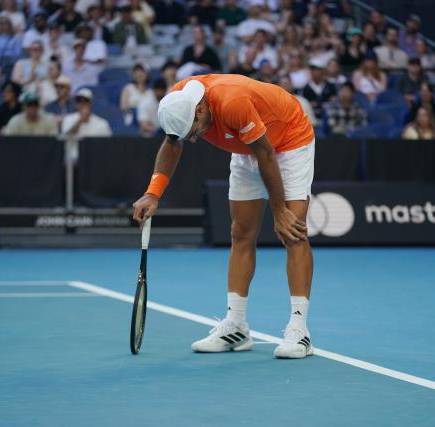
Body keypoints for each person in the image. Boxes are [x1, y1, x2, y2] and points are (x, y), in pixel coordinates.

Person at [131, 74, 316, 359]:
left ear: (201, 109)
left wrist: (279, 211)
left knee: (292, 231)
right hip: (246, 146)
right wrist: (153, 193)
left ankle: (299, 329)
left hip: (288, 139)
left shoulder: (232, 102)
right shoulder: (177, 101)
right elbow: (172, 143)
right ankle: (236, 326)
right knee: (240, 233)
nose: (192, 139)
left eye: (193, 131)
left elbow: (266, 154)